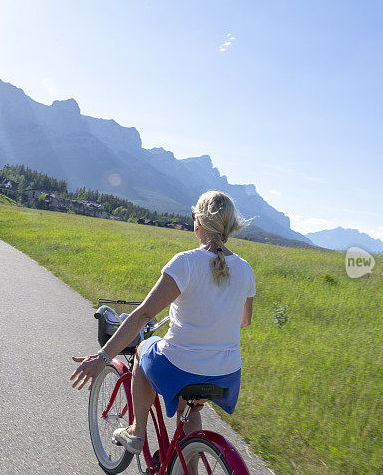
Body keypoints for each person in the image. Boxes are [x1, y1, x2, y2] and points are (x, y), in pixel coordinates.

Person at [70, 190, 255, 454]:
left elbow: (144, 314)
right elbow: (244, 320)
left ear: (198, 221)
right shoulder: (245, 268)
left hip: (183, 366)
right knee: (187, 407)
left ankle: (135, 432)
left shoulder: (186, 262)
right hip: (227, 374)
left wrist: (101, 358)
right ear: (230, 225)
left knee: (144, 350)